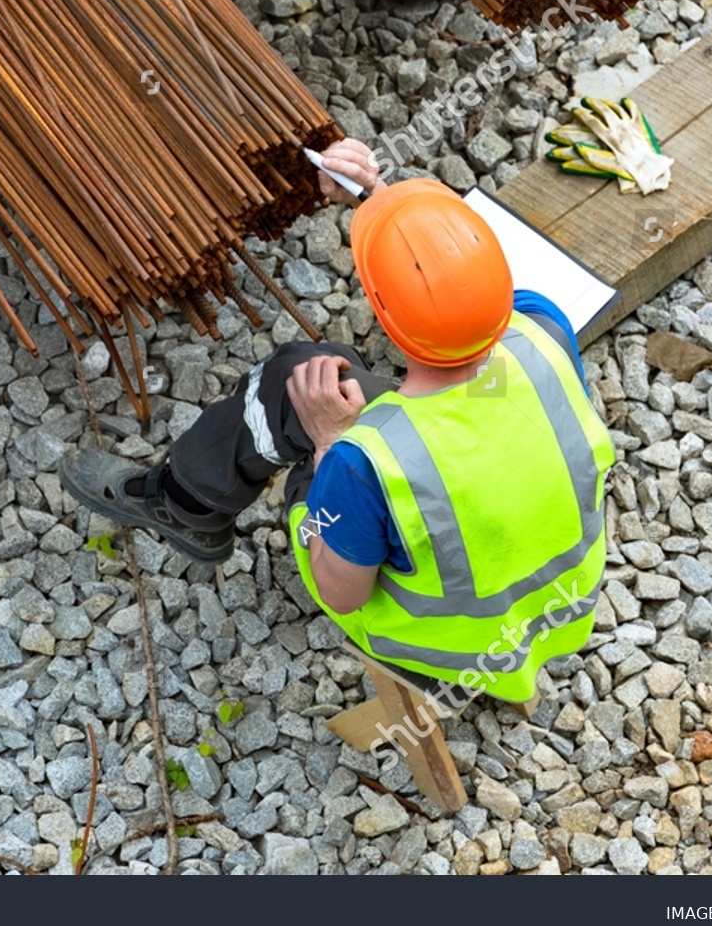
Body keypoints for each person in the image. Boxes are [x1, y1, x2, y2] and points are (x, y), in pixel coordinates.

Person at [59, 140, 617, 702]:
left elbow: (342, 592)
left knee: (294, 381)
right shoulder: (544, 328)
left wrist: (330, 441)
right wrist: (380, 203)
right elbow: (457, 286)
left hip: (456, 644)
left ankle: (185, 504)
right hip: (564, 606)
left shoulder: (365, 463)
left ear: (383, 318)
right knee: (425, 395)